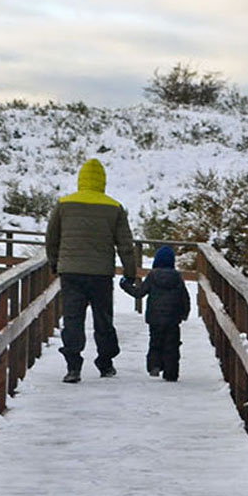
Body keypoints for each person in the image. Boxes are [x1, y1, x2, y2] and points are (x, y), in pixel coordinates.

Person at [44, 158, 138, 383]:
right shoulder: (114, 207)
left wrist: (55, 263)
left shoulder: (64, 204)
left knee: (73, 319)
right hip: (101, 274)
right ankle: (106, 363)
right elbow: (125, 244)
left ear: (81, 179)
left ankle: (73, 366)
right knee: (103, 319)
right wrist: (130, 272)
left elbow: (52, 238)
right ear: (102, 181)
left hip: (71, 273)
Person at [121, 244, 190, 381]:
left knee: (155, 342)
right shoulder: (177, 277)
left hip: (155, 318)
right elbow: (185, 297)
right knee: (172, 346)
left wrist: (125, 285)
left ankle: (154, 365)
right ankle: (171, 373)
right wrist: (184, 313)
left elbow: (139, 293)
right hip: (173, 319)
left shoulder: (152, 276)